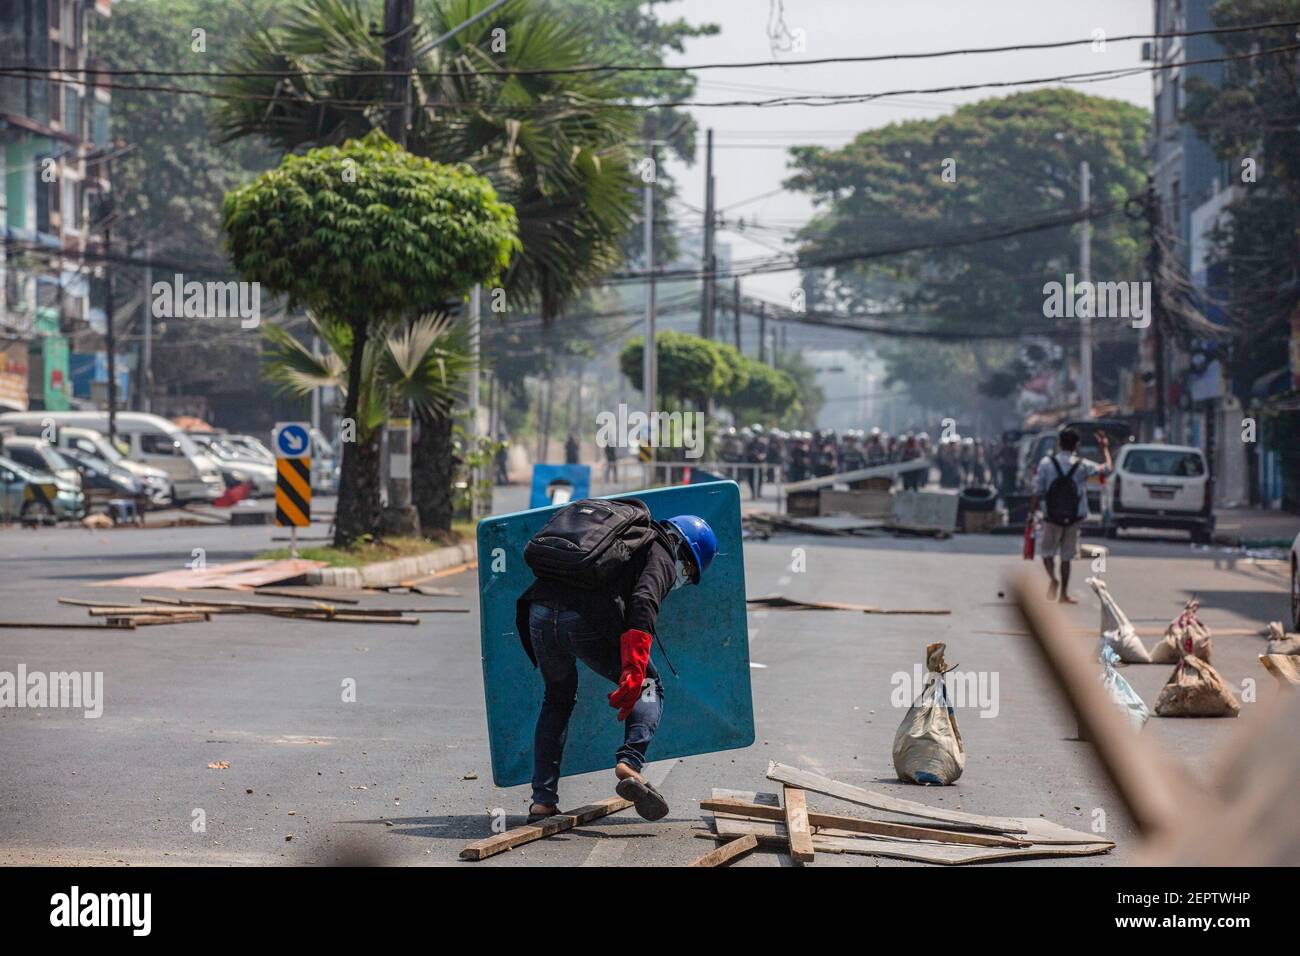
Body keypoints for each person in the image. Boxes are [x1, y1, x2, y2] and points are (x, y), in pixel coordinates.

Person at [515, 509, 718, 823]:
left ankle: (542, 802)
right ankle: (630, 762)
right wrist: (635, 668)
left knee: (557, 698)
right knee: (650, 686)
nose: (685, 578)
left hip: (538, 612)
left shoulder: (625, 539)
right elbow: (644, 600)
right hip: (580, 620)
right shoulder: (662, 552)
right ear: (683, 549)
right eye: (689, 571)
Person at [1029, 427, 1112, 604]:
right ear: (1077, 445)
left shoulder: (1046, 463)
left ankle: (1053, 578)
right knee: (1067, 557)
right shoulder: (1082, 465)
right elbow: (1106, 470)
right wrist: (1104, 448)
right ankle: (1064, 594)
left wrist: (1031, 513)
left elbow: (1037, 490)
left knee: (1047, 553)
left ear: (1059, 443)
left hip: (1051, 517)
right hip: (1073, 518)